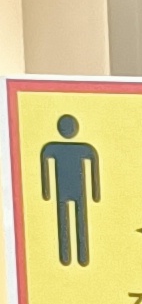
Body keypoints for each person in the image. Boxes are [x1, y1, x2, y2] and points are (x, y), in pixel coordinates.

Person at [40, 110, 101, 268]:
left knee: (79, 220)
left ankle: (81, 255)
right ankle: (67, 256)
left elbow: (93, 168)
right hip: (65, 190)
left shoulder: (82, 149)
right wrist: (46, 192)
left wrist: (95, 193)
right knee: (65, 221)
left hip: (77, 190)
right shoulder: (53, 148)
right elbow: (45, 168)